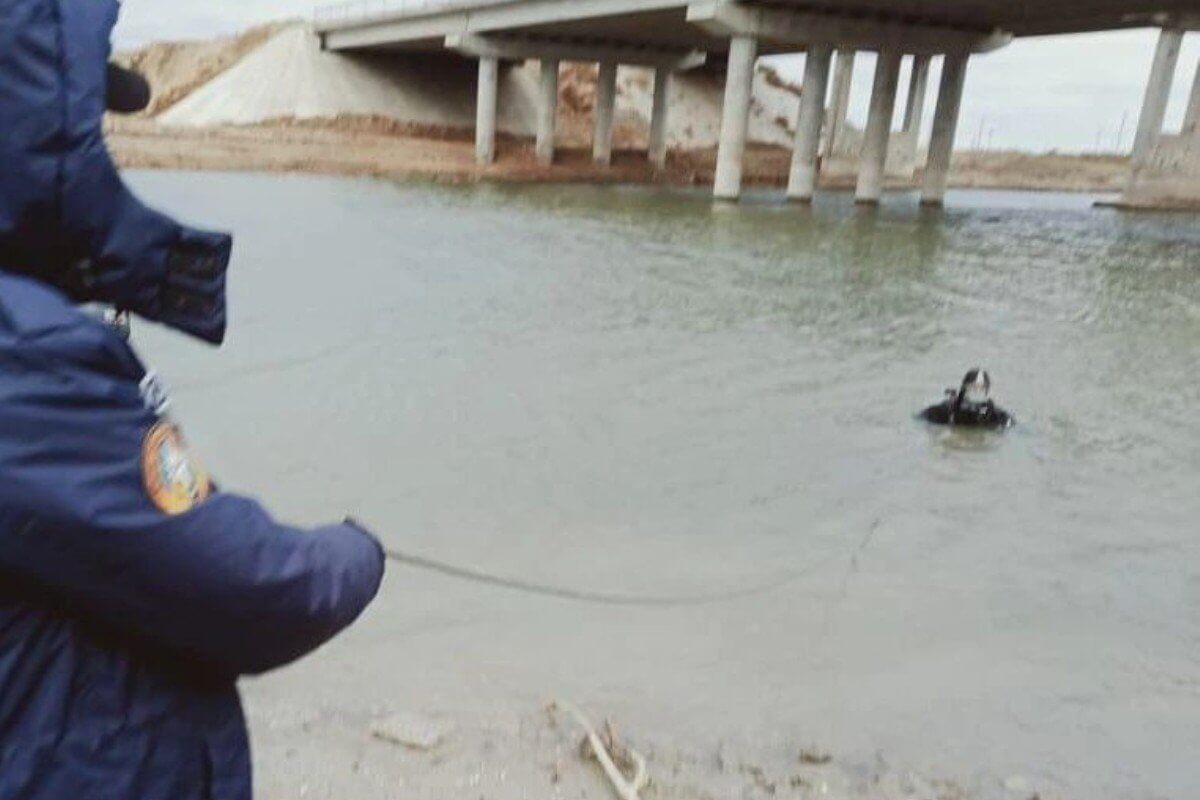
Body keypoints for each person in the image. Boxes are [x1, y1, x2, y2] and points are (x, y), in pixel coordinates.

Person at [0, 2, 386, 799]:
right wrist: (358, 551)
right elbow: (249, 588)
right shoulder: (23, 353)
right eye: (87, 130)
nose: (110, 153)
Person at [919, 368, 1014, 429]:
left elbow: (1013, 429)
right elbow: (921, 420)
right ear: (963, 389)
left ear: (987, 391)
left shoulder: (995, 414)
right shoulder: (948, 409)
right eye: (972, 388)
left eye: (981, 389)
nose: (976, 392)